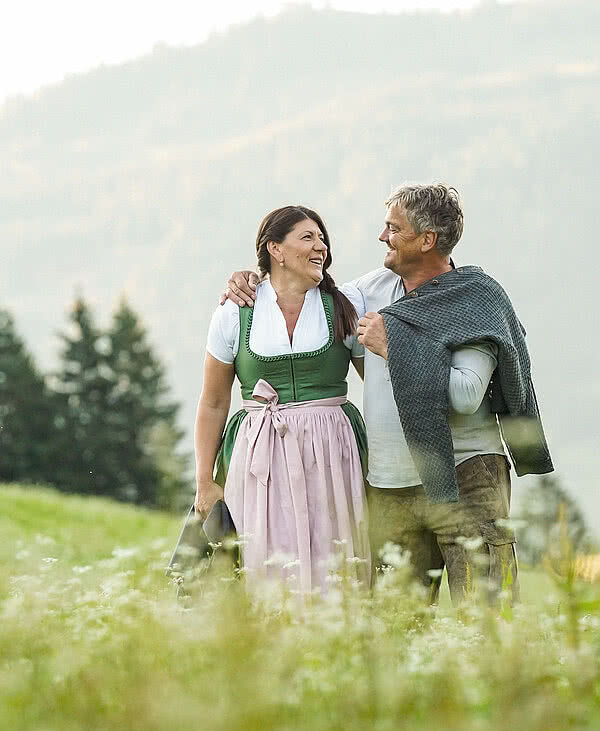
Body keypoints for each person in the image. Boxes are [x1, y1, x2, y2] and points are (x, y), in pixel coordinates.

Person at [223, 184, 553, 605]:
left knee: (487, 614)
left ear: (426, 240)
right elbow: (307, 289)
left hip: (466, 474)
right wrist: (254, 279)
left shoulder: (474, 301)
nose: (382, 237)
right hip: (391, 483)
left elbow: (468, 395)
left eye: (393, 229)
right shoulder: (369, 293)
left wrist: (393, 347)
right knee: (396, 625)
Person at [194, 205, 370, 595]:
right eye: (307, 237)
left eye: (322, 238)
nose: (320, 246)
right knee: (262, 560)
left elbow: (376, 384)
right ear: (275, 249)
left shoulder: (344, 305)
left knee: (333, 560)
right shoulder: (233, 311)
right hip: (259, 452)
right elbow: (212, 403)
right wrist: (204, 481)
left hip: (331, 450)